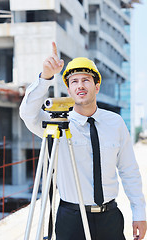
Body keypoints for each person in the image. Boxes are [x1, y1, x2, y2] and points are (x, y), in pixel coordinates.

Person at [19, 42, 146, 240]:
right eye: (74, 81)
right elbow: (27, 114)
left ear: (96, 86)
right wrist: (45, 78)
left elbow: (129, 171)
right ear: (68, 90)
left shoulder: (115, 122)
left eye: (85, 80)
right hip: (71, 219)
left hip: (110, 217)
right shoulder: (56, 124)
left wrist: (139, 213)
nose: (80, 85)